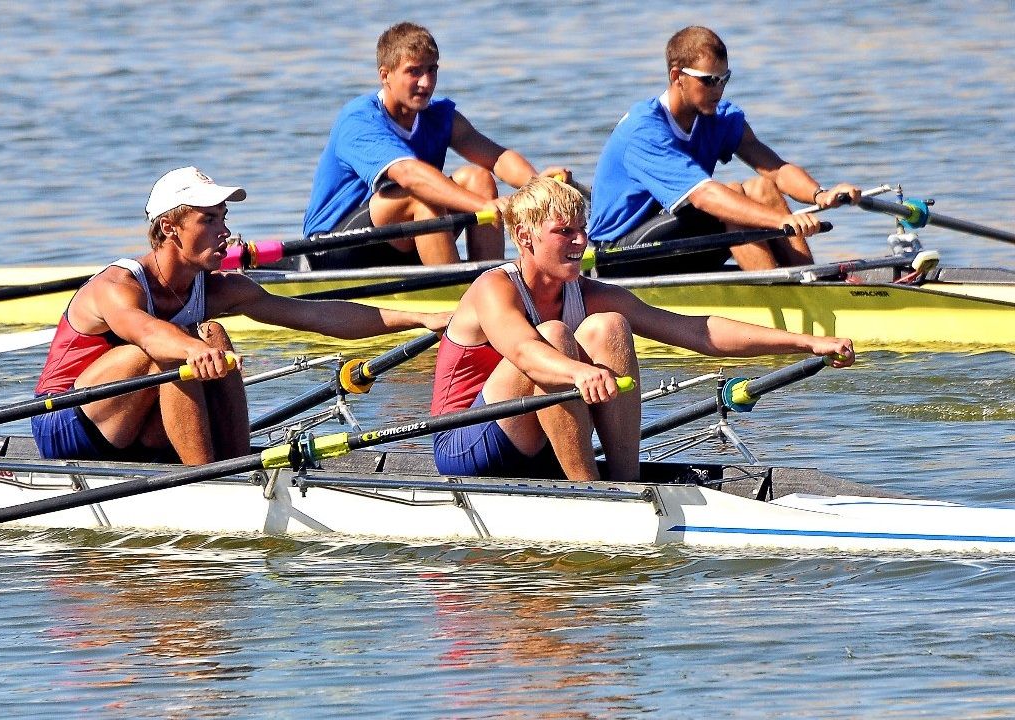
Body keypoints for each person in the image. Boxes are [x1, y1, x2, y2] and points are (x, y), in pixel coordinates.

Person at [432, 177, 854, 483]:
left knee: (611, 326)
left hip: (540, 440)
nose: (580, 242)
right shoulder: (493, 288)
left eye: (582, 230)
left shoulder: (589, 293)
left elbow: (697, 332)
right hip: (466, 445)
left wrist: (806, 342)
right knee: (555, 337)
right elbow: (525, 352)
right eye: (564, 232)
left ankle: (625, 482)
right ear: (525, 237)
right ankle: (590, 494)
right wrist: (579, 372)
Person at [32, 166, 449, 463]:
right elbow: (148, 333)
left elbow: (321, 317)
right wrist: (192, 350)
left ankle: (234, 464)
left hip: (137, 424)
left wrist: (420, 319)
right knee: (168, 353)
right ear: (169, 229)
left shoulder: (221, 289)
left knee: (213, 333)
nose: (225, 232)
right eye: (208, 220)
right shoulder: (117, 286)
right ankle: (208, 480)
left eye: (224, 218)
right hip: (65, 424)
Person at [588, 26, 863, 274]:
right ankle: (775, 294)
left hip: (673, 235)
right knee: (730, 196)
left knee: (761, 188)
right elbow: (705, 197)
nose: (718, 89)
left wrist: (820, 194)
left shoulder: (719, 117)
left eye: (724, 79)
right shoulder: (645, 129)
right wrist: (782, 220)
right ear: (677, 77)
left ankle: (810, 282)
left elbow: (777, 170)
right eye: (709, 80)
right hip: (618, 254)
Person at [302, 21, 571, 268]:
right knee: (423, 198)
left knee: (478, 179)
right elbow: (409, 176)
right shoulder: (359, 119)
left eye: (432, 70)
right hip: (331, 248)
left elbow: (497, 158)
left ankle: (490, 284)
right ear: (385, 75)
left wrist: (539, 185)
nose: (426, 82)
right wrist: (482, 206)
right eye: (414, 72)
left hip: (402, 235)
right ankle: (458, 296)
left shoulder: (439, 115)